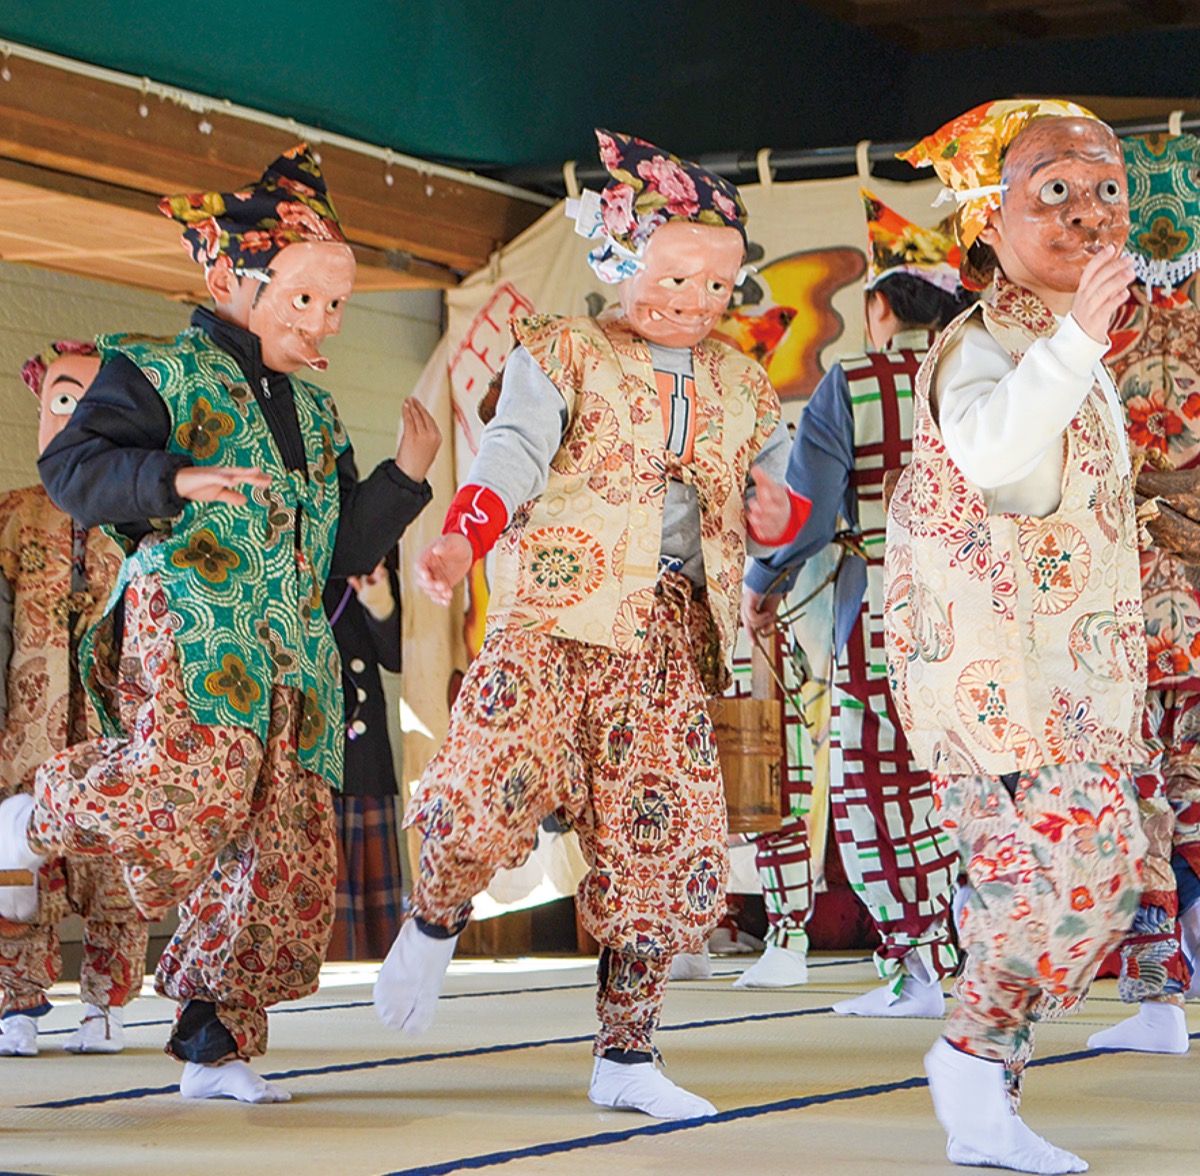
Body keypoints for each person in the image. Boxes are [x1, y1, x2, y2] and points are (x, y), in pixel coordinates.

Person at [372, 129, 808, 1120]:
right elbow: (511, 458)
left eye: (715, 286)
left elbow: (772, 484)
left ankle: (627, 1054)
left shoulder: (743, 381)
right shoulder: (562, 351)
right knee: (480, 786)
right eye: (676, 278)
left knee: (658, 840)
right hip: (557, 619)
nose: (695, 303)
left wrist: (779, 511)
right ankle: (434, 920)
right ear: (618, 258)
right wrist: (460, 538)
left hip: (670, 641)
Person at [0, 144, 440, 1102]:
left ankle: (216, 1043)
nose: (323, 321)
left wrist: (407, 476)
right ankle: (37, 813)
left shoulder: (319, 414)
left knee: (285, 854)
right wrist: (173, 479)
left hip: (296, 657)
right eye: (304, 299)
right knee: (190, 784)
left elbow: (336, 550)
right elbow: (71, 472)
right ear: (232, 279)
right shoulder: (157, 371)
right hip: (196, 634)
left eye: (336, 305)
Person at [889, 101, 1149, 1174]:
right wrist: (1082, 337)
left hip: (1069, 675)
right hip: (991, 678)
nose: (1086, 212)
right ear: (989, 224)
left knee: (1089, 876)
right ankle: (974, 1069)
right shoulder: (982, 342)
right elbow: (994, 454)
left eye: (1106, 190)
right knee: (1053, 883)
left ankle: (982, 1079)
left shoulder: (1070, 344)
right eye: (1054, 188)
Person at [740, 192, 968, 1011]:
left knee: (877, 787)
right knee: (960, 783)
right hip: (980, 617)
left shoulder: (855, 384)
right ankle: (965, 956)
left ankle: (914, 965)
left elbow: (803, 513)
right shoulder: (982, 379)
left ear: (878, 309)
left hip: (881, 612)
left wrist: (759, 589)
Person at [0, 342, 148, 1057]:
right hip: (26, 728)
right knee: (14, 865)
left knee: (115, 865)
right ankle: (17, 1004)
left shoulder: (143, 518)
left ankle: (105, 1006)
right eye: (62, 402)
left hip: (116, 727)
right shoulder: (13, 516)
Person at [1086, 128, 1200, 1054]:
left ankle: (1158, 994)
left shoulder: (1098, 316)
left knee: (1137, 782)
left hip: (1122, 591)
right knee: (1194, 775)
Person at [324, 555, 406, 960]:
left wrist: (379, 601)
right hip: (302, 757)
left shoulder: (365, 551)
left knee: (376, 938)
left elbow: (398, 654)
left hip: (361, 751)